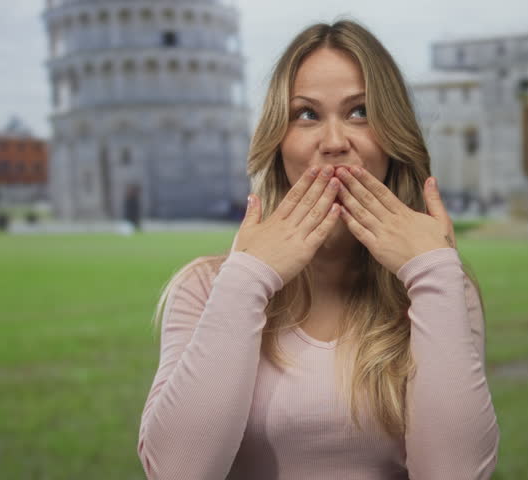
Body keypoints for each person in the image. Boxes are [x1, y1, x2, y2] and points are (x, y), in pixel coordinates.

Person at [137, 18, 499, 479]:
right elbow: (175, 471)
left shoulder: (443, 287)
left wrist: (433, 273)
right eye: (306, 114)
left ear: (394, 137)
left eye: (360, 112)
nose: (333, 142)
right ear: (277, 139)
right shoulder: (206, 287)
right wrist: (249, 277)